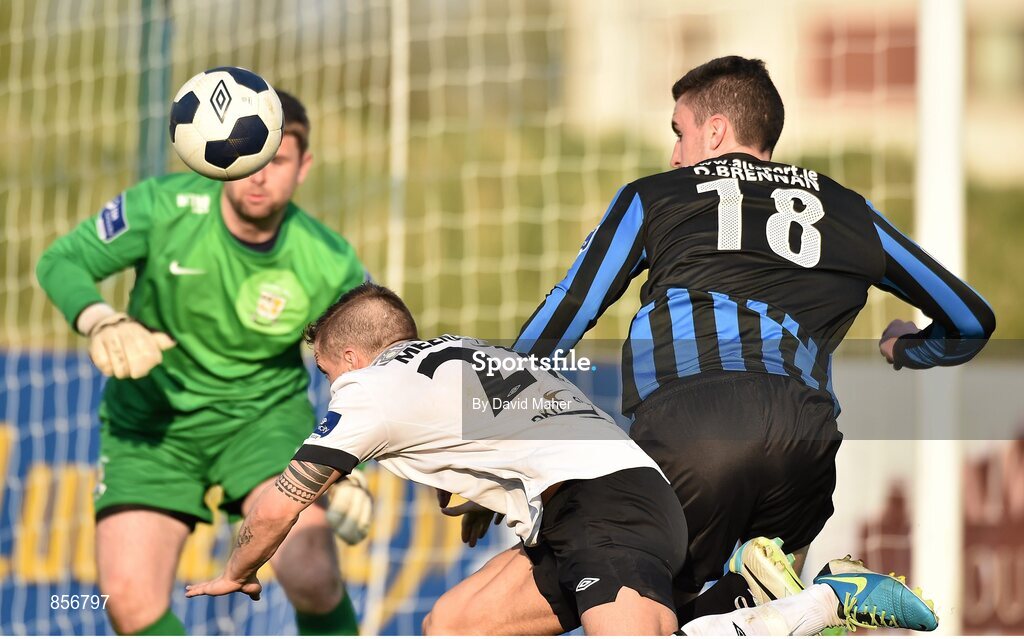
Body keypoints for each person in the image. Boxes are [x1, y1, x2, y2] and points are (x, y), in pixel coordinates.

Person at [513, 55, 996, 618]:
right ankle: (818, 599)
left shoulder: (657, 195)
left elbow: (567, 312)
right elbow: (972, 318)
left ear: (715, 131)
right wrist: (908, 347)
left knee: (604, 615)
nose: (675, 153)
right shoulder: (850, 211)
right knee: (740, 616)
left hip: (695, 430)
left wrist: (491, 428)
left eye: (680, 131)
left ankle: (820, 600)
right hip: (807, 445)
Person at [184, 283, 939, 636]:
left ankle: (827, 598)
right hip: (592, 505)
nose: (330, 389)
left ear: (351, 354)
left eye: (327, 371)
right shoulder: (457, 354)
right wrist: (486, 496)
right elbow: (528, 430)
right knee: (453, 625)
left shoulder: (373, 388)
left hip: (604, 508)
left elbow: (280, 502)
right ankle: (742, 592)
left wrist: (238, 568)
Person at [36, 90, 368, 635]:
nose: (258, 175)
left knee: (311, 573)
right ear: (215, 155)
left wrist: (349, 462)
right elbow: (61, 260)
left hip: (262, 425)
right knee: (128, 603)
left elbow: (374, 370)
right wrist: (102, 320)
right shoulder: (159, 206)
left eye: (275, 159)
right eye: (246, 156)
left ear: (302, 166)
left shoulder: (329, 259)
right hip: (151, 423)